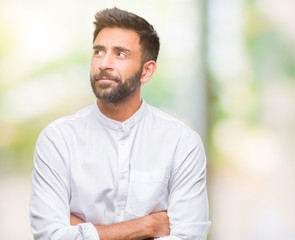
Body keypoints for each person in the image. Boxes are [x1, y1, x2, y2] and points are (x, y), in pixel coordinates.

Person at [30, 7, 211, 240]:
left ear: (147, 71)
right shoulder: (57, 139)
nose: (104, 63)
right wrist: (148, 227)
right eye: (98, 51)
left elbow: (189, 236)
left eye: (120, 54)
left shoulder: (181, 142)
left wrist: (82, 230)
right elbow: (49, 236)